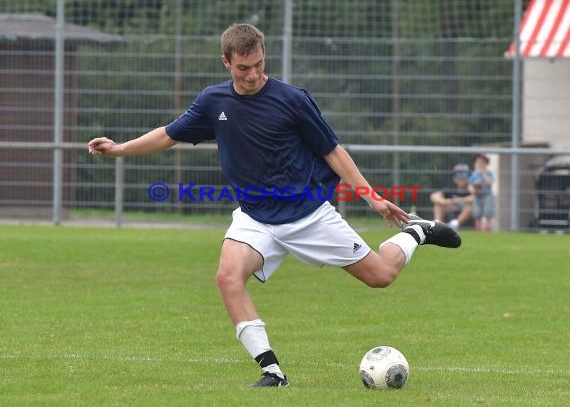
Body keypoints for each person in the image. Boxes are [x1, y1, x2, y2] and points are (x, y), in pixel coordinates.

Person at [88, 23, 461, 388]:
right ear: (226, 63)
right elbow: (169, 134)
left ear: (264, 56)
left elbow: (333, 151)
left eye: (259, 65)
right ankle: (273, 372)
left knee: (381, 276)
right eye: (243, 68)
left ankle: (416, 232)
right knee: (227, 277)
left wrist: (373, 198)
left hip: (309, 215)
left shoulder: (292, 100)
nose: (252, 75)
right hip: (255, 218)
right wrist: (120, 149)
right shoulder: (213, 102)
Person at [430, 163, 473, 230]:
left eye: (463, 176)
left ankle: (455, 224)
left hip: (465, 211)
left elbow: (475, 198)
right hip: (452, 207)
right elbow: (434, 196)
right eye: (458, 176)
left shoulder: (470, 188)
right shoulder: (451, 188)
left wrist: (458, 200)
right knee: (438, 205)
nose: (461, 179)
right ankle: (437, 224)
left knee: (470, 206)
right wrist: (444, 201)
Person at [469, 154, 495, 232]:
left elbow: (490, 182)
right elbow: (470, 184)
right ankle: (478, 229)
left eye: (481, 162)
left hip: (487, 195)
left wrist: (484, 173)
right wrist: (472, 190)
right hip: (477, 196)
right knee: (477, 213)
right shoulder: (474, 174)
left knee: (488, 212)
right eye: (478, 162)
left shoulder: (489, 173)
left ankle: (487, 228)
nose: (479, 164)